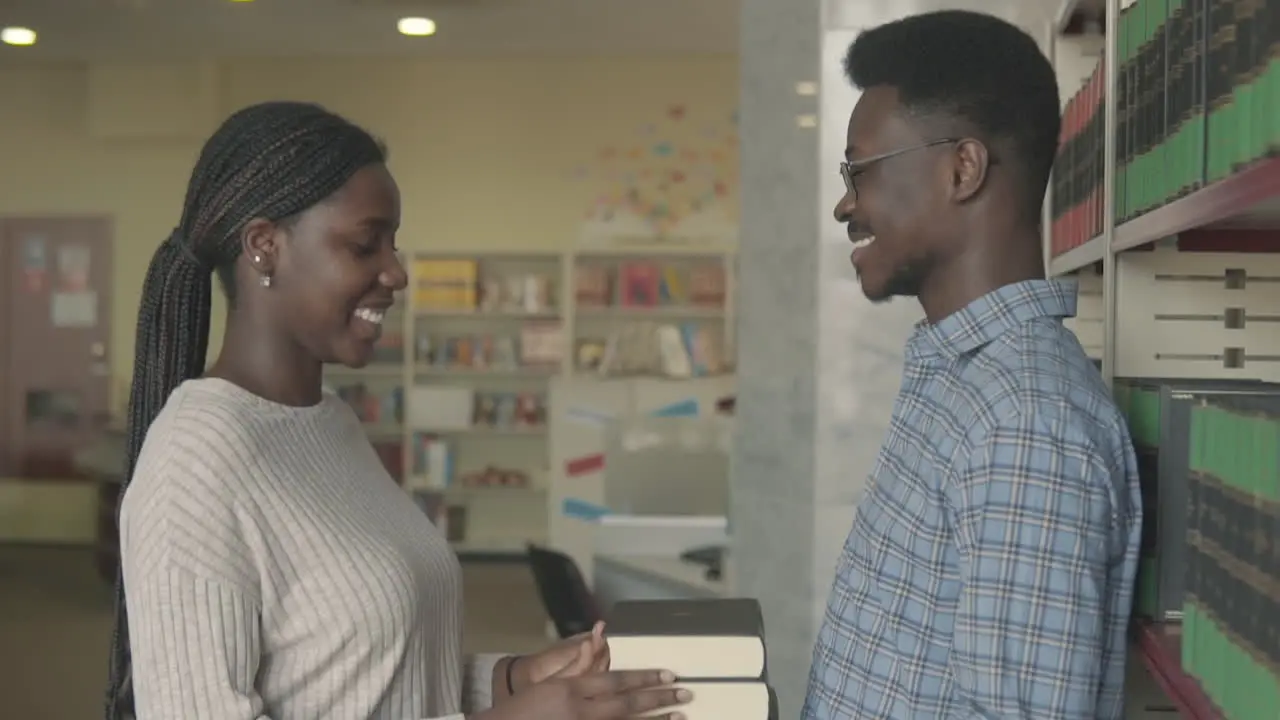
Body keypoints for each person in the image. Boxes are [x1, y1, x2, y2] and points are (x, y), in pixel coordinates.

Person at [104, 101, 691, 720]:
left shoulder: (331, 424)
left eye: (394, 243)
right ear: (264, 247)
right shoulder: (195, 463)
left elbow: (373, 678)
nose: (397, 272)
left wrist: (516, 678)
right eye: (365, 245)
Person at [802, 11, 1141, 720]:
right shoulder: (967, 381)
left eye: (858, 170)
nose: (844, 203)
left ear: (963, 168)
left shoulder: (1025, 426)